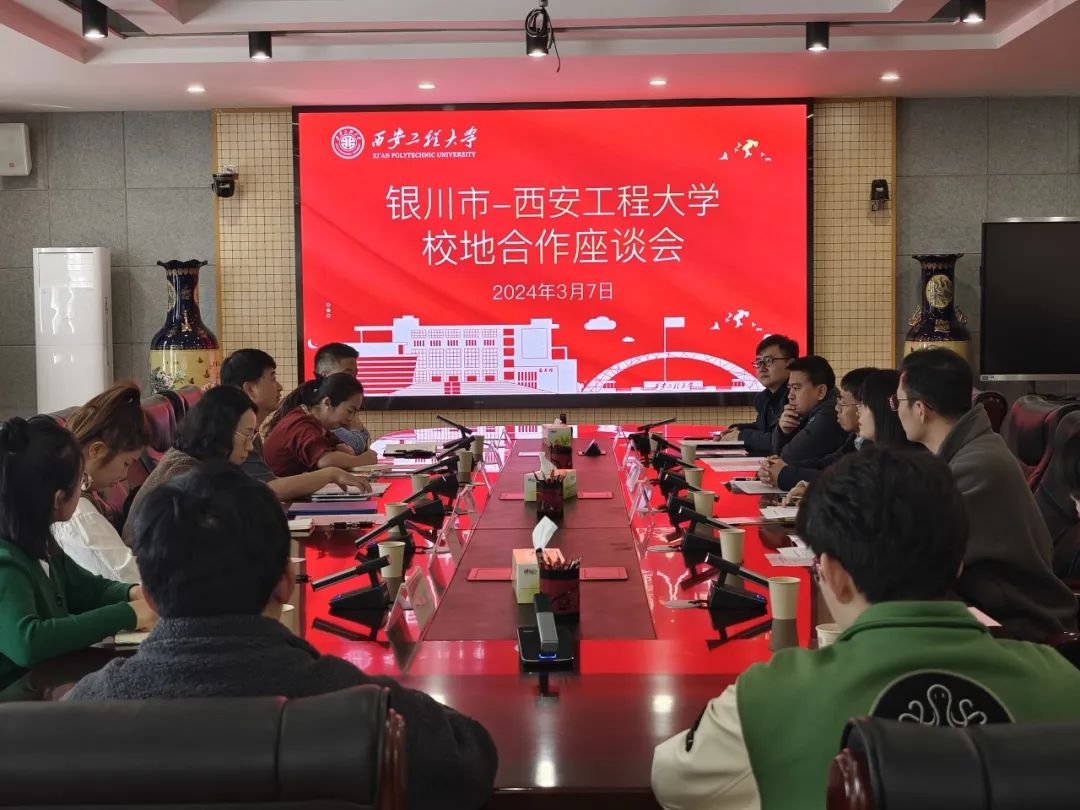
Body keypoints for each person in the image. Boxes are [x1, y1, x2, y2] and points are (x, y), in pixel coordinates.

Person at [652, 448, 1080, 810]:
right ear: (958, 564)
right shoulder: (1064, 683)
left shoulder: (765, 698)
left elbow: (671, 781)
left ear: (834, 574)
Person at [67, 462, 498, 810]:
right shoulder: (365, 709)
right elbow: (470, 761)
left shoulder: (83, 714)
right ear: (287, 581)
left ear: (149, 597)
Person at [896, 348, 1077, 642]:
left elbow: (919, 556)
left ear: (920, 409)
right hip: (988, 612)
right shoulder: (971, 450)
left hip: (1020, 629)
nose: (896, 411)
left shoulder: (975, 466)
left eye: (898, 401)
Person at [0, 417, 155, 686]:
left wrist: (133, 593)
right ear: (58, 498)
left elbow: (87, 589)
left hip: (46, 686)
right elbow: (29, 642)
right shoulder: (6, 562)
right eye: (81, 479)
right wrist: (129, 613)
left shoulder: (41, 543)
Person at [219, 348, 371, 499]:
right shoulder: (236, 435)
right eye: (272, 378)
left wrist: (330, 473)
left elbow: (269, 482)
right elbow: (271, 489)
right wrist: (330, 474)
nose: (280, 386)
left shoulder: (252, 433)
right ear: (250, 389)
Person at [121, 386, 260, 544]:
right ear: (221, 430)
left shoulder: (197, 462)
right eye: (247, 435)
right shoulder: (185, 474)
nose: (250, 447)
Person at [51, 383, 149, 582]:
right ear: (96, 450)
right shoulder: (77, 513)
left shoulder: (71, 497)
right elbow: (130, 580)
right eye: (126, 463)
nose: (124, 475)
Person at [763, 366, 875, 492]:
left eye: (797, 388)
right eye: (789, 389)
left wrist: (784, 473)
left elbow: (847, 481)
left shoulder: (829, 414)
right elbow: (834, 463)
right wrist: (780, 466)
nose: (790, 396)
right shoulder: (856, 437)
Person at [263, 373, 377, 477]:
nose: (351, 418)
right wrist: (361, 460)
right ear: (327, 403)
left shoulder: (318, 423)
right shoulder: (302, 425)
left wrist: (343, 450)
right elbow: (325, 461)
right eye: (350, 411)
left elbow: (345, 450)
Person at [720, 335, 798, 456]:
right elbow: (762, 428)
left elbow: (779, 441)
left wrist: (741, 436)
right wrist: (737, 429)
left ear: (790, 365)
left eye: (768, 361)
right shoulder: (764, 398)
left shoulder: (796, 398)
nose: (762, 368)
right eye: (758, 362)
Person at [314, 342, 371, 456]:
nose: (353, 380)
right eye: (348, 374)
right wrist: (358, 432)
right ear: (325, 375)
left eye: (355, 374)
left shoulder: (340, 401)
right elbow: (355, 447)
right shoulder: (320, 407)